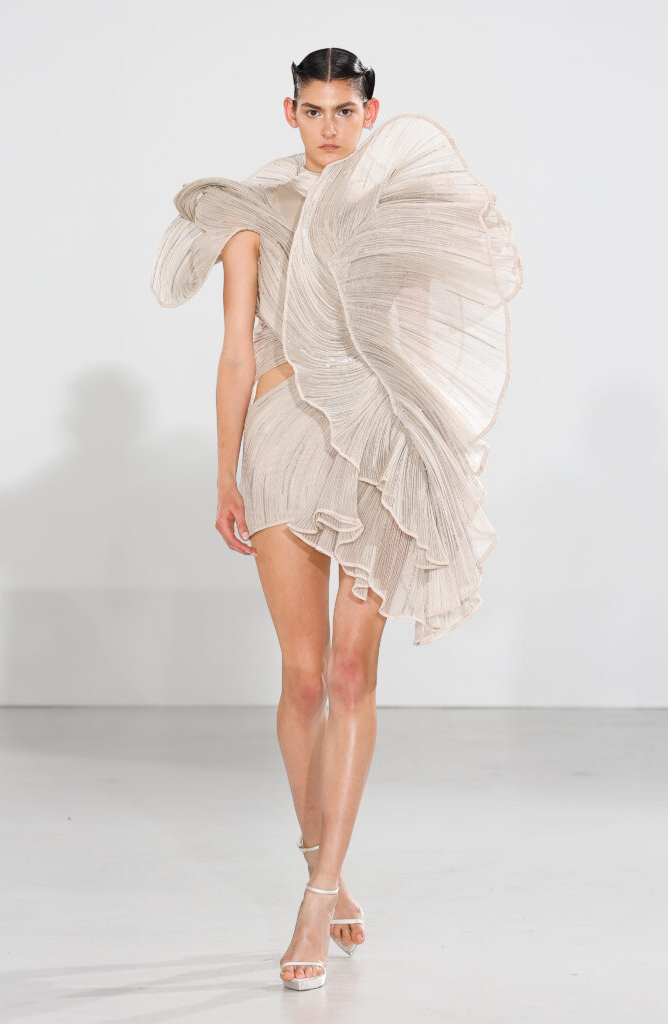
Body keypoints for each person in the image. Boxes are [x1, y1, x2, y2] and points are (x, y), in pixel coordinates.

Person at [151, 47, 523, 991]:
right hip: (281, 438)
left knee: (355, 672)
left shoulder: (400, 209)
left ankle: (317, 898)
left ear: (370, 113)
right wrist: (225, 470)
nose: (328, 126)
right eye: (312, 110)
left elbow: (419, 344)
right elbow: (236, 351)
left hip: (376, 445)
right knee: (306, 675)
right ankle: (326, 858)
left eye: (343, 111)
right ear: (290, 112)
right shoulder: (251, 210)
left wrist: (435, 456)